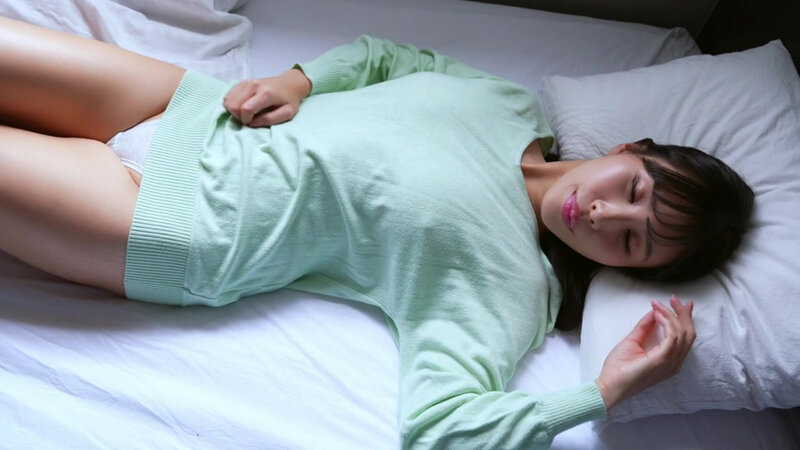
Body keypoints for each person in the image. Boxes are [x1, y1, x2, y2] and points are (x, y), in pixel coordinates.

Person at [0, 16, 753, 449]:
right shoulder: (512, 105)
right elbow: (389, 59)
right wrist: (300, 81)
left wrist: (604, 391)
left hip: (168, 218)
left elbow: (443, 430)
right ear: (630, 149)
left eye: (631, 242)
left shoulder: (514, 288)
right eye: (633, 191)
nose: (604, 216)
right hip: (193, 108)